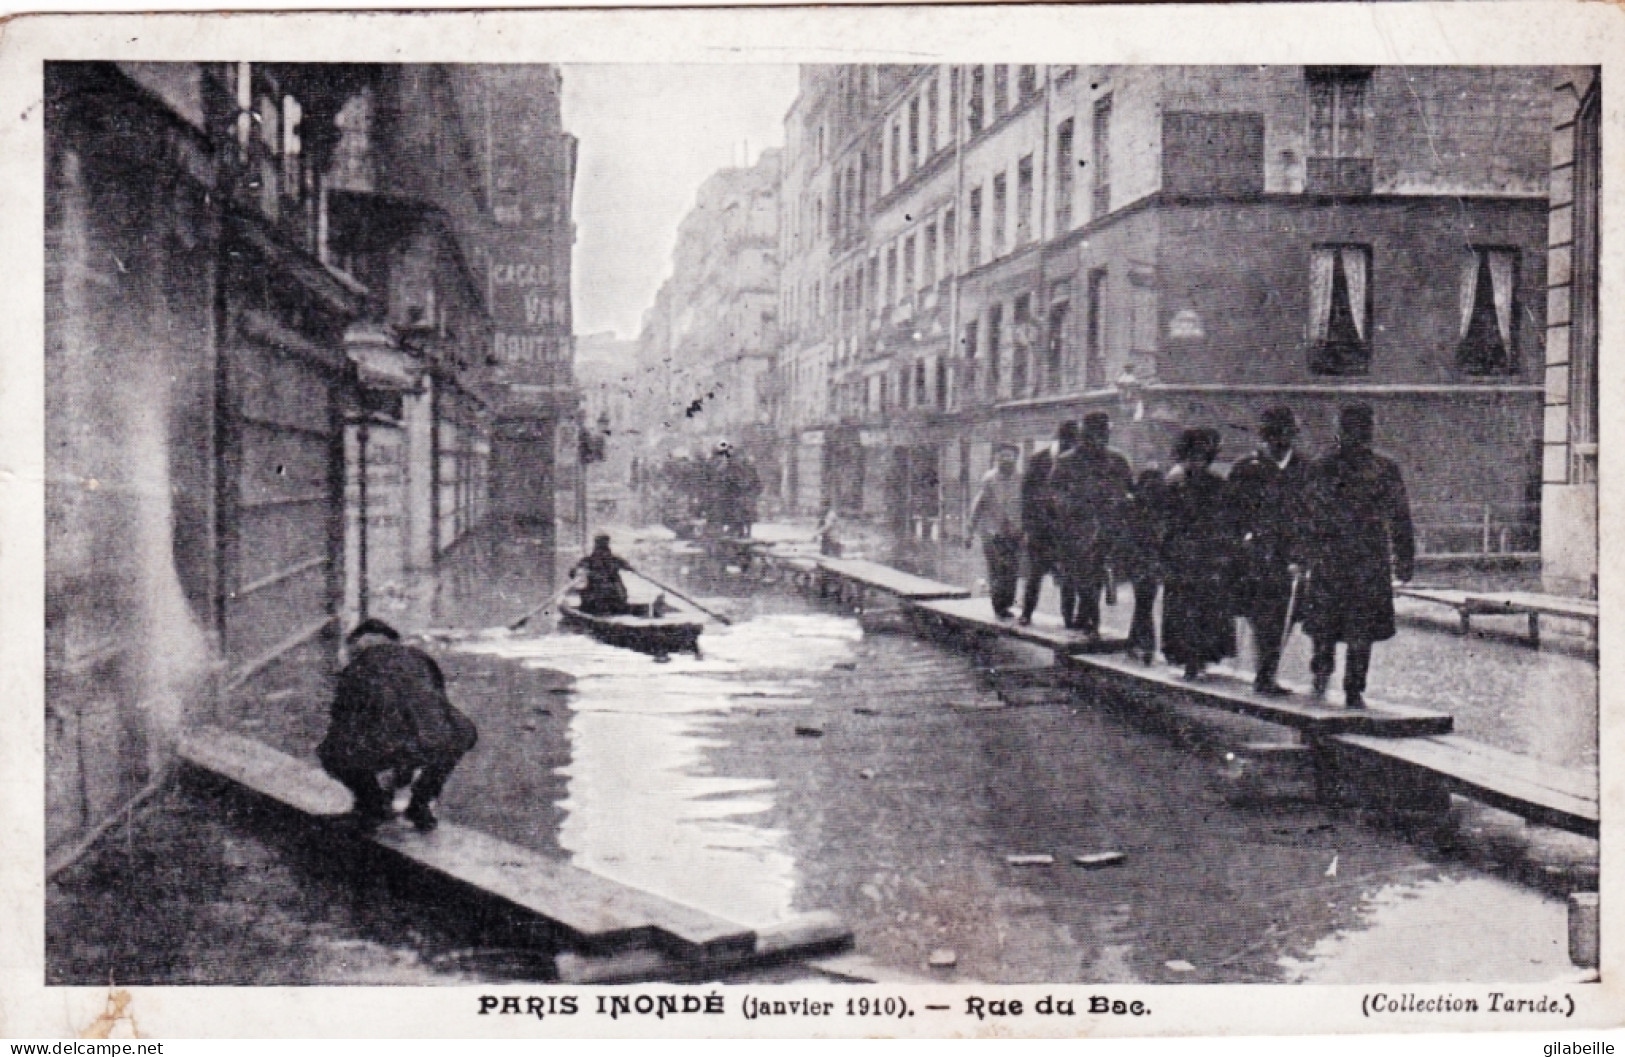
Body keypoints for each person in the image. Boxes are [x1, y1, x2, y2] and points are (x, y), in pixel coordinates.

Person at [1301, 404, 1416, 709]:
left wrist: (1305, 551)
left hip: (1336, 555)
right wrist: (1404, 559)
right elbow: (1400, 518)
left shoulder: (1324, 465)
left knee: (1335, 623)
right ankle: (1348, 686)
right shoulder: (1380, 468)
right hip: (1363, 557)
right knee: (1356, 626)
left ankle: (1328, 678)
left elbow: (1307, 514)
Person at [318, 619, 478, 832]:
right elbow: (437, 707)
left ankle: (372, 806)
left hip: (391, 742)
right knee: (443, 740)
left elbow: (342, 718)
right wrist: (404, 770)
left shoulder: (358, 667)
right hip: (449, 737)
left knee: (330, 752)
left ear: (356, 646)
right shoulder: (420, 657)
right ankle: (420, 804)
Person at [1228, 407, 1314, 695]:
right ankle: (1264, 673)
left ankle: (1267, 670)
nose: (1280, 442)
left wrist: (1305, 549)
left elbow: (1312, 511)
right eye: (1275, 436)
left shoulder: (1303, 468)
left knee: (1285, 614)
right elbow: (1231, 510)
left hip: (1290, 553)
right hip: (1256, 553)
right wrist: (1241, 538)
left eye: (1286, 435)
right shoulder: (1246, 467)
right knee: (1260, 613)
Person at [1159, 428, 1238, 681]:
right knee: (1185, 607)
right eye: (1194, 456)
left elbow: (1226, 518)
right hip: (1183, 555)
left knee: (1206, 606)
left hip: (1207, 553)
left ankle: (1201, 657)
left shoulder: (1216, 483)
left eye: (1203, 456)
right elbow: (1166, 521)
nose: (1198, 461)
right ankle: (1188, 659)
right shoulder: (1175, 482)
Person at [1051, 412, 1134, 636]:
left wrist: (1121, 503)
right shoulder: (1067, 460)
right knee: (1076, 573)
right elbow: (1055, 490)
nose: (1100, 440)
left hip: (1107, 524)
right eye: (1095, 435)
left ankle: (1090, 618)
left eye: (1104, 434)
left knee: (1095, 573)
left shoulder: (1117, 459)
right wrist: (1068, 506)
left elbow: (1130, 489)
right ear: (1085, 436)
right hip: (1075, 525)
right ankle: (1080, 616)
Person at [1019, 421, 1079, 626]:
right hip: (1040, 530)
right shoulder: (1038, 460)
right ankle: (1026, 614)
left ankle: (1068, 620)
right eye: (1068, 443)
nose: (1070, 447)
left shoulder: (1076, 461)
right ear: (1059, 440)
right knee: (1035, 574)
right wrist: (1029, 527)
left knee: (1068, 577)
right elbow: (1026, 496)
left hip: (1065, 530)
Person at [967, 443, 1023, 620]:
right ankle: (998, 606)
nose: (1005, 460)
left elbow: (1028, 505)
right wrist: (970, 530)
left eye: (1009, 456)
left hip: (1014, 531)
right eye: (1002, 456)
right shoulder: (989, 479)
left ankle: (1006, 604)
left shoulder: (1021, 479)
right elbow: (978, 505)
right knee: (997, 568)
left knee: (1012, 569)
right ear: (996, 458)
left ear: (1015, 458)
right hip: (992, 532)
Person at [1118, 465, 1168, 664]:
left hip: (1140, 558)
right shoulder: (1159, 507)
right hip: (1146, 558)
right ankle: (1146, 644)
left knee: (1143, 601)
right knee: (1145, 600)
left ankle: (1137, 642)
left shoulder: (1134, 507)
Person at [570, 533, 634, 616]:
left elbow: (629, 568)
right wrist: (577, 571)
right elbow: (572, 573)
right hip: (601, 599)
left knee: (612, 593)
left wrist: (576, 571)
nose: (602, 552)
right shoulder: (589, 561)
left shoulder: (614, 560)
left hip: (610, 598)